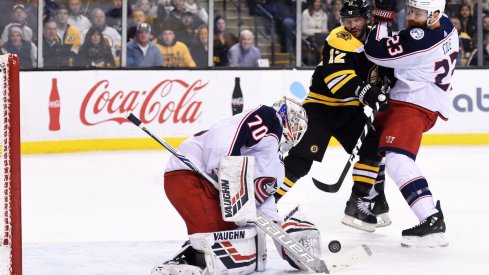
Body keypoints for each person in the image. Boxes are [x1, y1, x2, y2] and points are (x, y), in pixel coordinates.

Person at [154, 97, 314, 274]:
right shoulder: (269, 118)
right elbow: (225, 132)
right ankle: (184, 262)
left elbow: (265, 205)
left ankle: (194, 253)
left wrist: (286, 245)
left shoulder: (276, 165)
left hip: (211, 188)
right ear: (288, 117)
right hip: (189, 176)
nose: (298, 134)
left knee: (240, 242)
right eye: (298, 127)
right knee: (214, 242)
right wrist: (228, 170)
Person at [273, 0, 391, 234]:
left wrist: (387, 83)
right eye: (347, 20)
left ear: (366, 19)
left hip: (349, 111)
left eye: (356, 19)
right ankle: (267, 200)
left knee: (374, 147)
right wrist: (367, 91)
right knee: (300, 162)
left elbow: (385, 68)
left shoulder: (376, 39)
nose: (351, 25)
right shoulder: (338, 38)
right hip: (321, 107)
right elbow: (337, 78)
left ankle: (359, 201)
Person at [364, 0, 458, 247]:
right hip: (409, 97)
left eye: (418, 12)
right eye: (411, 10)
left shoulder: (420, 39)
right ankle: (374, 199)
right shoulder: (446, 24)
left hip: (415, 104)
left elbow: (374, 50)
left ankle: (431, 218)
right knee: (371, 143)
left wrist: (382, 19)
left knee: (397, 159)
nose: (411, 16)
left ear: (435, 14)